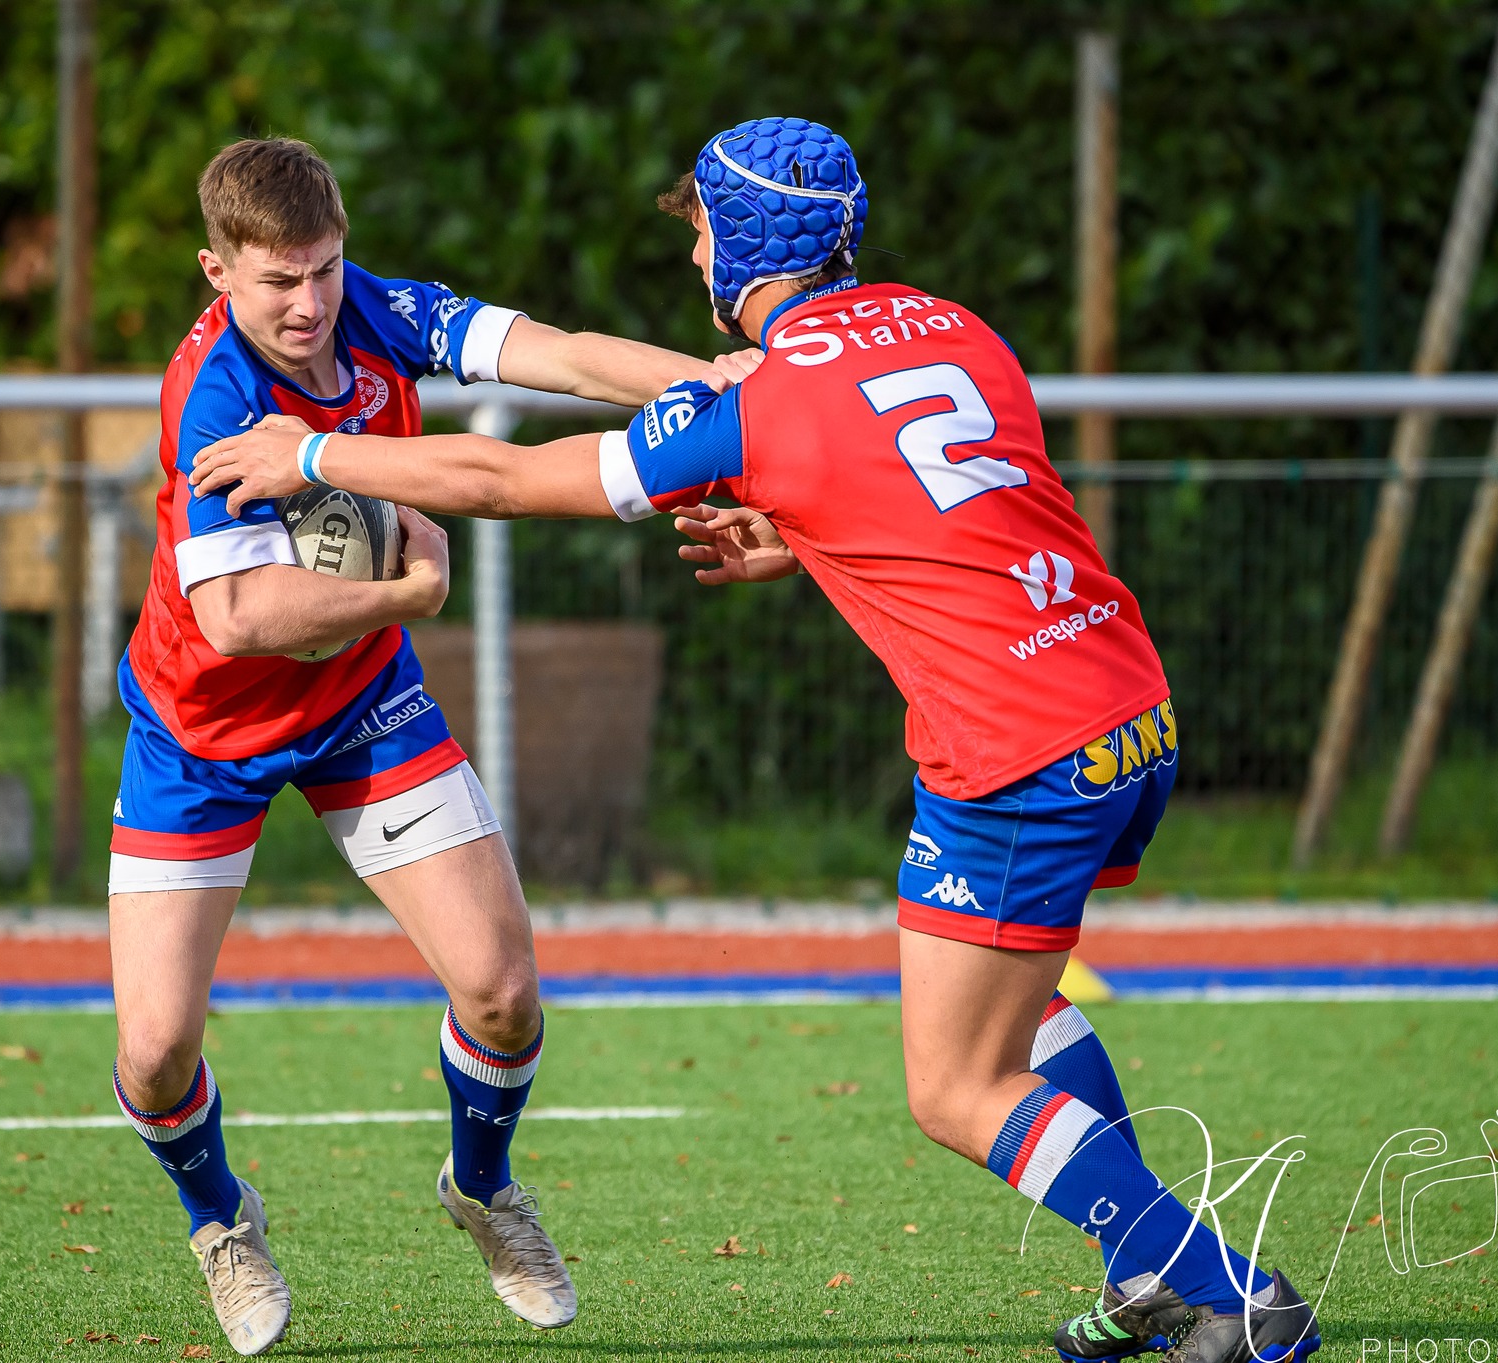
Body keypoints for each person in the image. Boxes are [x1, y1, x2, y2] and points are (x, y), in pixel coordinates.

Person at [186, 118, 1325, 1363]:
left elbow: (510, 483)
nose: (693, 266)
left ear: (739, 243)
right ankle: (1143, 1279)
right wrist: (806, 540)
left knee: (953, 1086)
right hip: (1124, 698)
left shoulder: (765, 399)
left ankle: (1212, 1278)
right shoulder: (954, 325)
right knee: (1020, 1005)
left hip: (1012, 750)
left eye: (699, 237)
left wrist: (311, 452)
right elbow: (962, 508)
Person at [112, 136, 716, 1354]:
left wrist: (728, 376)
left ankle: (482, 1187)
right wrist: (407, 593)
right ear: (216, 270)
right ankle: (220, 1217)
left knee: (499, 992)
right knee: (156, 1047)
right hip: (202, 730)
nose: (307, 302)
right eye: (277, 280)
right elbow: (236, 619)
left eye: (324, 269)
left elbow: (561, 354)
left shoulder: (381, 312)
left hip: (361, 708)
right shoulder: (215, 392)